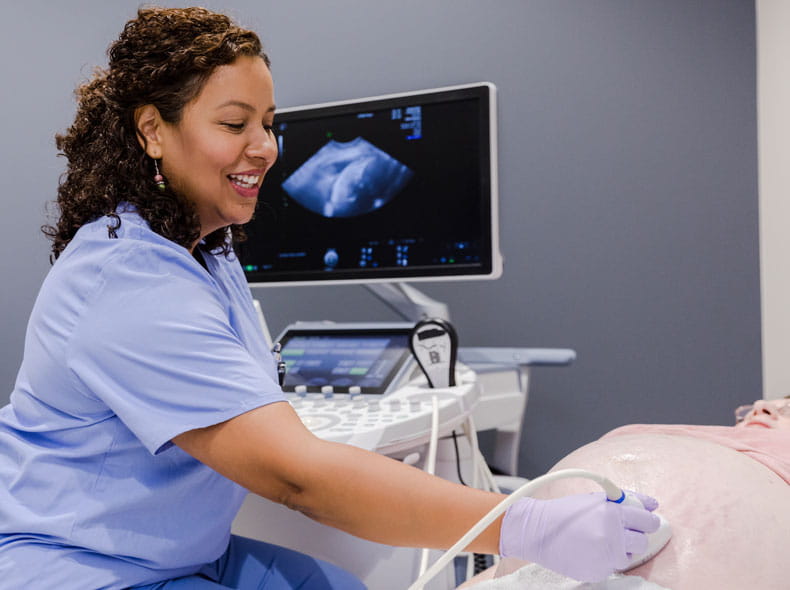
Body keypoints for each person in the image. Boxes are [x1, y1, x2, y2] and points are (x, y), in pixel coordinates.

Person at [0, 7, 659, 589]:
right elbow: (299, 478)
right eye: (234, 123)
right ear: (152, 130)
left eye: (269, 123)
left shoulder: (204, 246)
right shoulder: (128, 283)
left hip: (178, 549)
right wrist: (529, 527)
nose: (265, 148)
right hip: (84, 566)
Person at [463, 398, 790, 589]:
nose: (762, 406)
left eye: (787, 408)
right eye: (748, 410)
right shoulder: (677, 434)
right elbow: (505, 566)